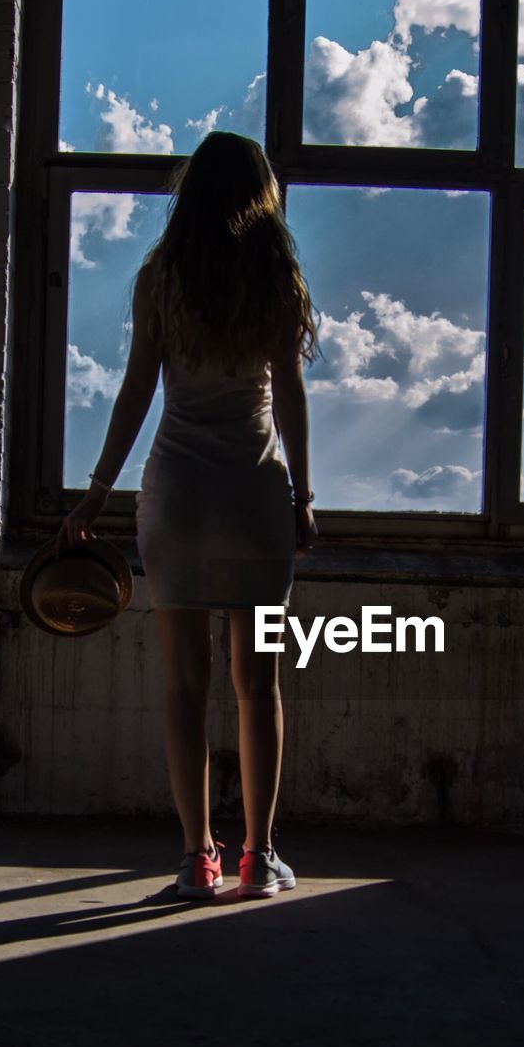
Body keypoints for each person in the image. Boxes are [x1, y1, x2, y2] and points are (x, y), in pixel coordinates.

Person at [55, 131, 318, 900]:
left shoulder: (161, 276)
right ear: (260, 192)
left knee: (183, 686)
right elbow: (292, 398)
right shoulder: (275, 276)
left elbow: (139, 387)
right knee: (257, 684)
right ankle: (259, 857)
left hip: (178, 498)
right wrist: (304, 496)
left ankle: (196, 858)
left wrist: (98, 489)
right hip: (254, 495)